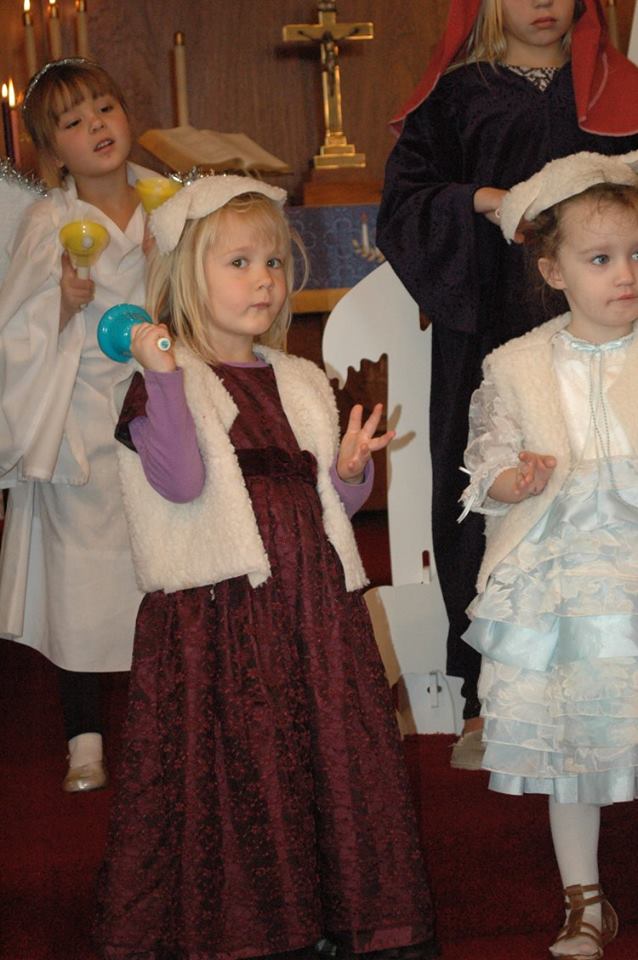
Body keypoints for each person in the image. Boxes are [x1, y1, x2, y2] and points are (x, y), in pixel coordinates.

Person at [94, 174, 436, 960]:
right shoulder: (164, 387)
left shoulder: (299, 379)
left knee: (321, 758)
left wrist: (351, 471)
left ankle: (329, 911)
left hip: (310, 613)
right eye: (240, 263)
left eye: (275, 263)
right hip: (218, 623)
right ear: (187, 276)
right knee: (241, 766)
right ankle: (255, 924)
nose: (264, 280)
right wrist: (164, 374)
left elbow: (332, 508)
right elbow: (181, 483)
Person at [376, 0, 638, 769]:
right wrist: (478, 200)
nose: (544, 2)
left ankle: (616, 688)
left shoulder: (615, 90)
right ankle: (487, 697)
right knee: (492, 501)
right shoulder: (459, 95)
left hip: (613, 341)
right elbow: (406, 204)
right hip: (490, 337)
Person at [460, 148, 638, 959]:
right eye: (600, 259)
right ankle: (585, 897)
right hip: (566, 583)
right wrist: (516, 479)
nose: (624, 274)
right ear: (553, 270)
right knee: (573, 736)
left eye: (635, 255)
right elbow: (487, 469)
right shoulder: (518, 365)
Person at [0, 58, 156, 792]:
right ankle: (83, 734)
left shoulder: (167, 208)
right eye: (72, 120)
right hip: (78, 416)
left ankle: (168, 718)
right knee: (81, 579)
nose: (96, 125)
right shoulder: (50, 222)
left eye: (104, 107)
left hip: (158, 415)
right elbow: (16, 327)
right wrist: (62, 302)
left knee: (160, 572)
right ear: (52, 150)